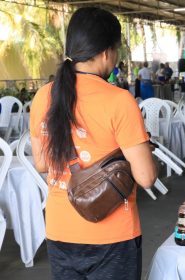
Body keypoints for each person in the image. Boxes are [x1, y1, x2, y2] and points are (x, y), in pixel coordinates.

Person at [29, 7, 158, 280]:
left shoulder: (43, 96)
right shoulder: (119, 100)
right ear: (107, 52)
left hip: (60, 231)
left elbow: (41, 163)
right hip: (112, 235)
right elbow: (146, 178)